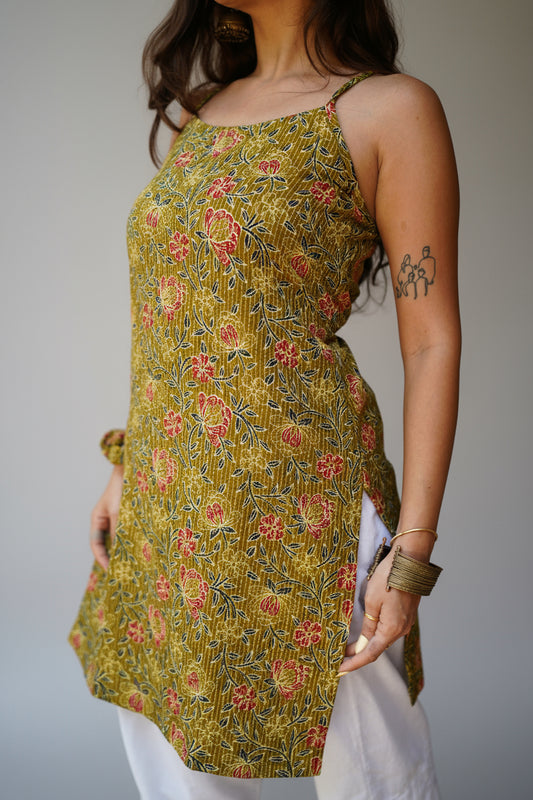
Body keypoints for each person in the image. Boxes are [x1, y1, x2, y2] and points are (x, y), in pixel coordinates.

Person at [68, 1, 461, 797]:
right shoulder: (207, 113)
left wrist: (410, 556)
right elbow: (180, 313)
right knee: (171, 743)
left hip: (306, 499)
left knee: (370, 766)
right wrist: (130, 465)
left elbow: (430, 341)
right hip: (175, 496)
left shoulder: (389, 108)